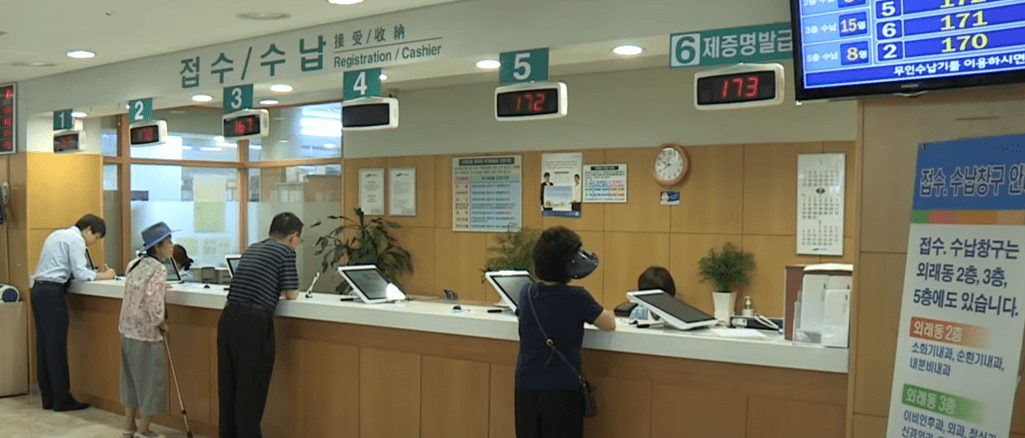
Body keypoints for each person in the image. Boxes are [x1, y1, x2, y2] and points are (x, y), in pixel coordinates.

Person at [515, 226, 615, 438]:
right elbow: (609, 324)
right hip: (561, 389)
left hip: (525, 388)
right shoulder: (578, 297)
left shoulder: (526, 293)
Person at [217, 212, 302, 438]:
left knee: (228, 387)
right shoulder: (286, 252)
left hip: (228, 318)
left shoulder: (253, 248)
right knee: (250, 390)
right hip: (253, 323)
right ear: (293, 236)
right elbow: (291, 293)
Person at [31, 214, 116, 411]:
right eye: (95, 237)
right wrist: (105, 275)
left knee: (44, 347)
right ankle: (62, 399)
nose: (93, 242)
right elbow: (81, 273)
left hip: (39, 290)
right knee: (57, 347)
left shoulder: (56, 234)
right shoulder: (76, 239)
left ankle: (48, 398)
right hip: (53, 293)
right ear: (88, 230)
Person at [119, 222, 175, 438]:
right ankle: (144, 430)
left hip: (127, 331)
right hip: (146, 334)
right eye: (168, 242)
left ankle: (129, 426)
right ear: (158, 247)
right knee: (150, 383)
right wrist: (161, 323)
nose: (172, 246)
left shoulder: (134, 264)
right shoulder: (159, 269)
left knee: (130, 380)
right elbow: (152, 301)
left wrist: (160, 287)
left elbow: (137, 290)